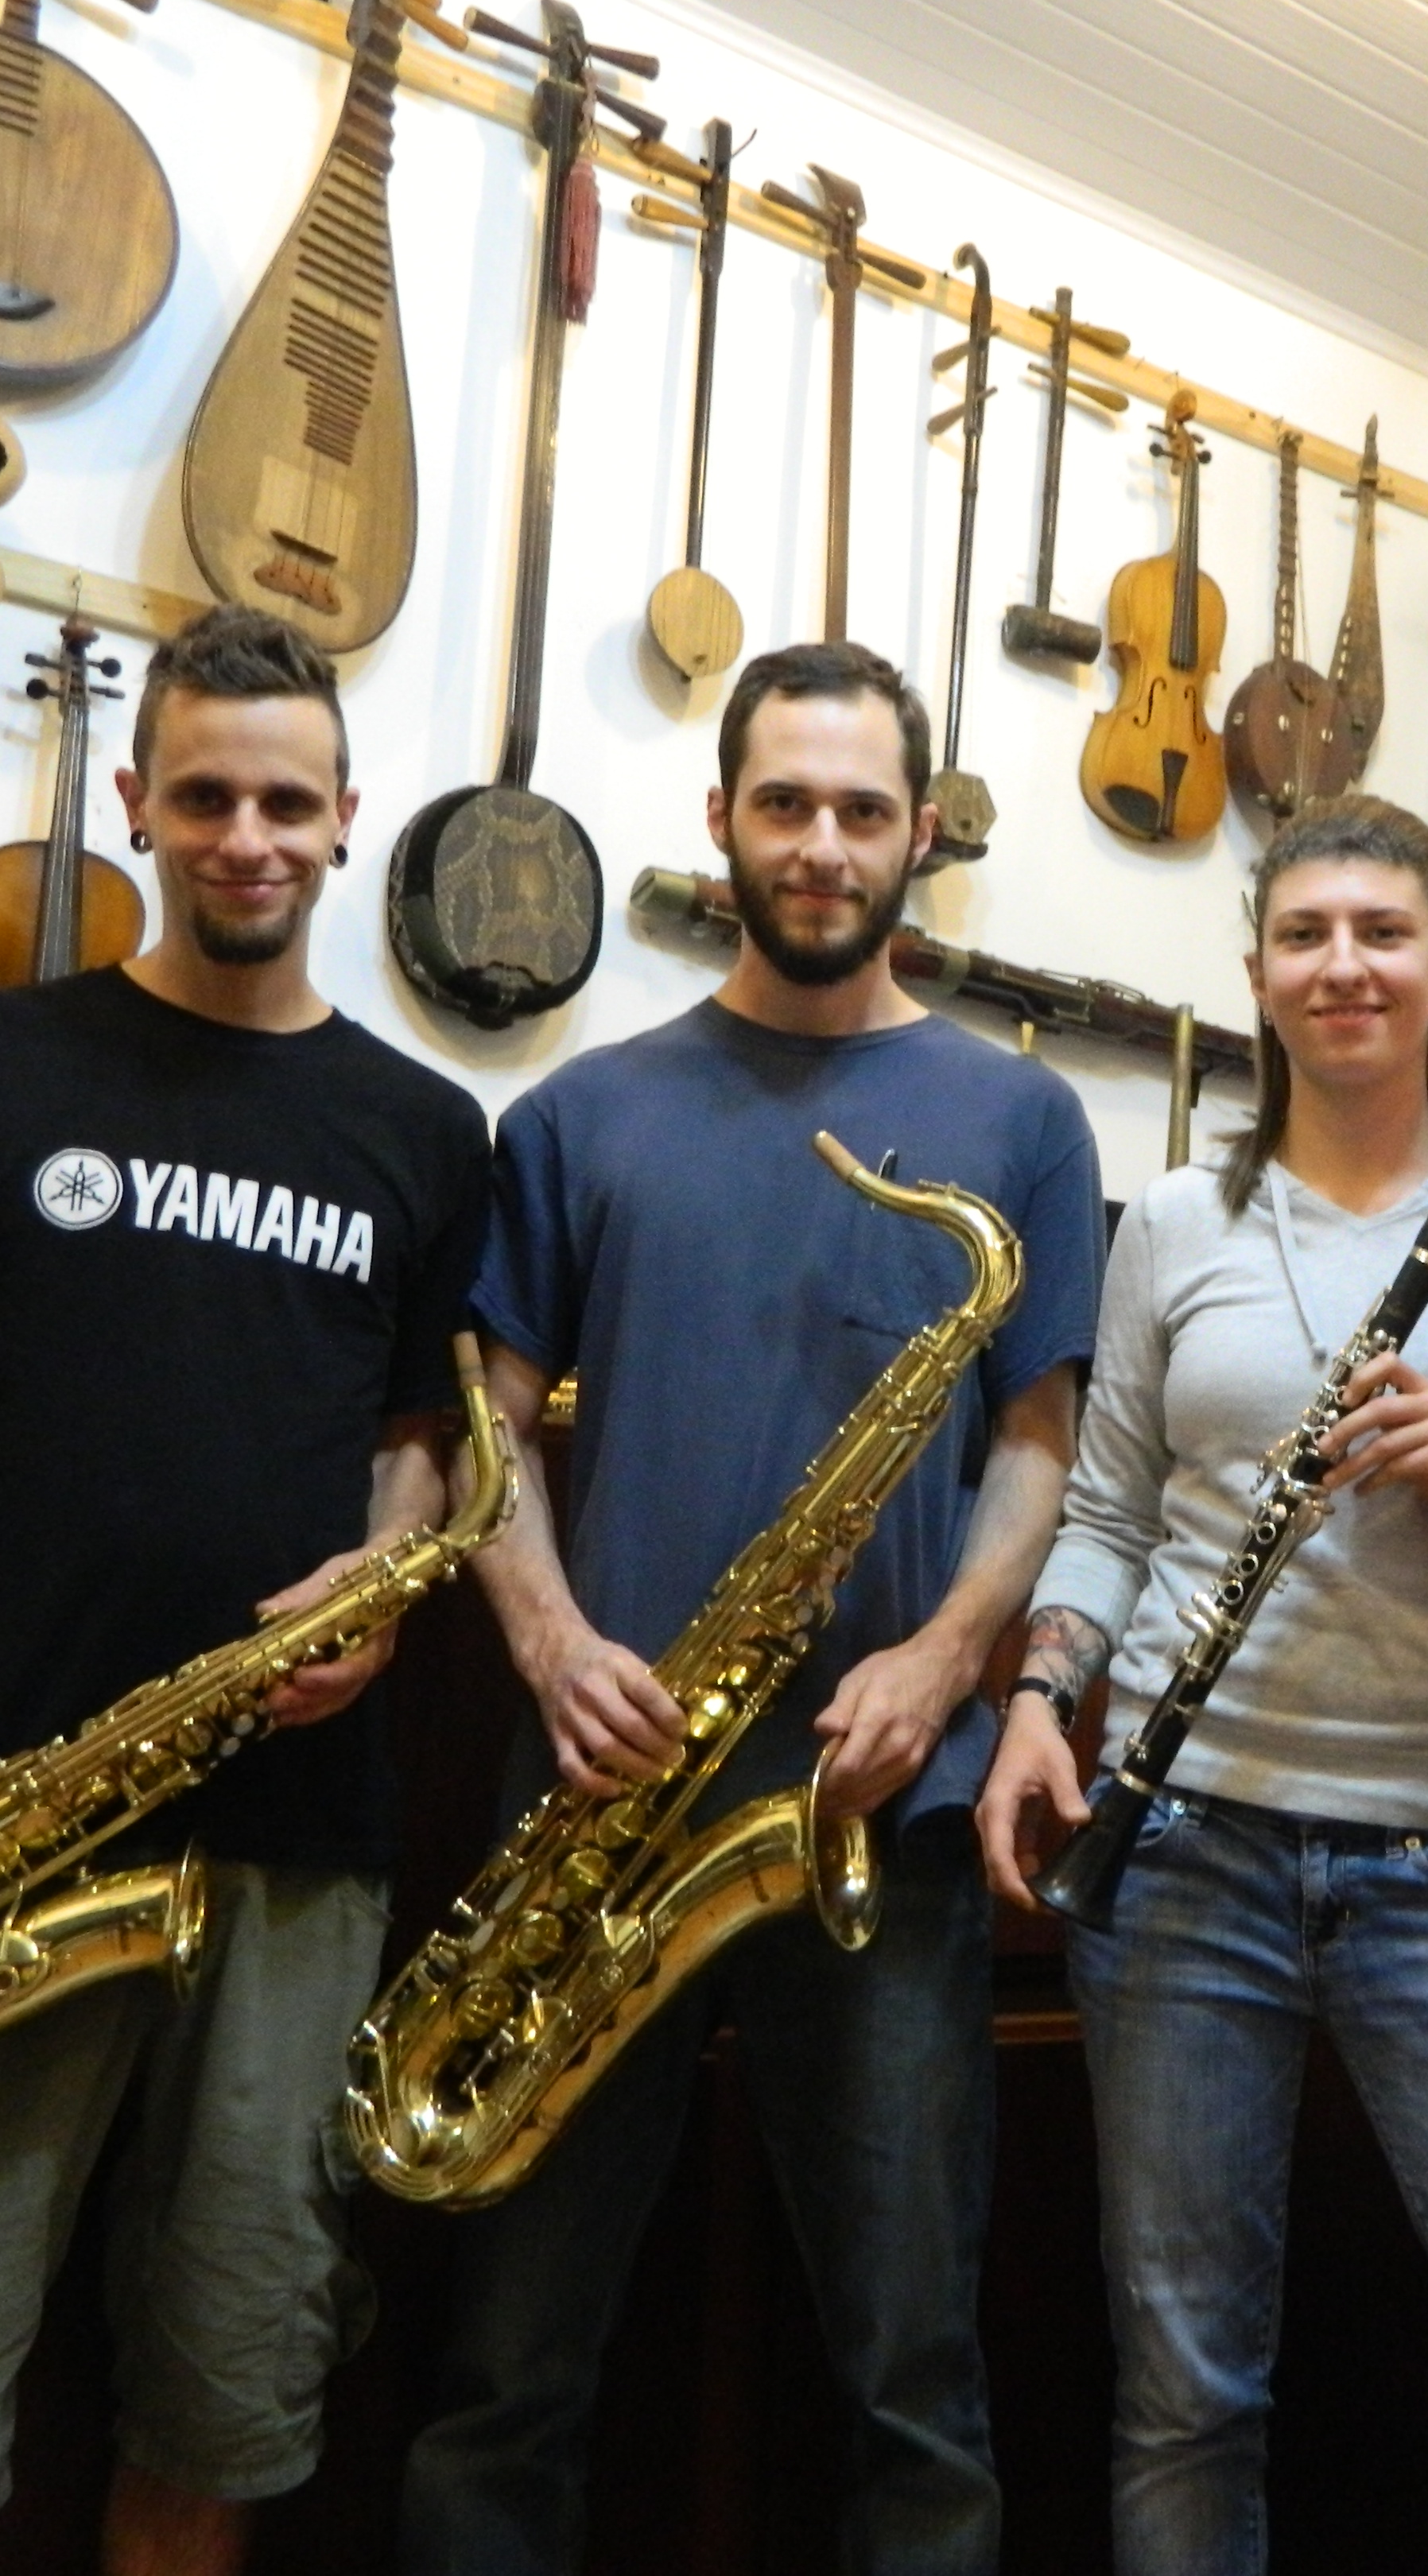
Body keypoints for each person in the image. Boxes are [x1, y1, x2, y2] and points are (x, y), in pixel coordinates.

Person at [0, 605, 495, 2576]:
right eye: (211, 795)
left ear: (347, 821)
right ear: (142, 802)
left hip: (294, 1856)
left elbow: (422, 1441)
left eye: (290, 804)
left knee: (223, 2404)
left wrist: (387, 1578)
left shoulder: (428, 1132)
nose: (250, 837)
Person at [401, 640, 1102, 2576]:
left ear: (921, 834)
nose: (821, 845)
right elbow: (484, 1429)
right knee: (506, 2368)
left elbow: (1038, 1441)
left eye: (862, 810)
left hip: (878, 1817)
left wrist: (946, 1658)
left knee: (916, 2383)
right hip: (602, 1808)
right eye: (784, 803)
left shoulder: (1021, 1119)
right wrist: (551, 1645)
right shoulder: (578, 1113)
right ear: (720, 818)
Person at [977, 795, 1428, 2574]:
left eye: (1384, 933)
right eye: (1306, 935)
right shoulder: (1179, 1220)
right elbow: (1109, 1513)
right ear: (1260, 974)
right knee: (1185, 2387)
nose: (1346, 966)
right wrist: (1039, 1702)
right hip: (1186, 1848)